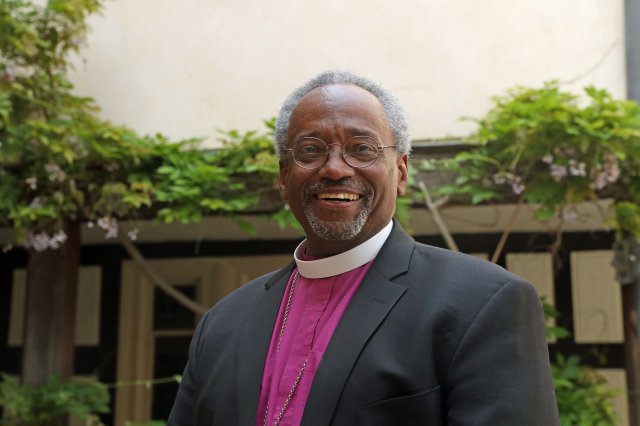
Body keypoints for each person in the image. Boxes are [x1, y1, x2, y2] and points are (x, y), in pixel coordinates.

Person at [167, 71, 559, 425]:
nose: (335, 168)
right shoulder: (223, 322)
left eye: (362, 148)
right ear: (284, 178)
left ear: (401, 172)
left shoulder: (483, 303)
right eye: (309, 151)